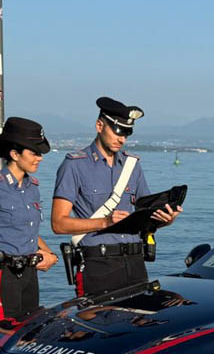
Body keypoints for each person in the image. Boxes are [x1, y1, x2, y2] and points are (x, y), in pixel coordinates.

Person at [51, 96, 181, 297]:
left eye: (127, 133)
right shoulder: (74, 165)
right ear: (99, 125)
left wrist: (165, 220)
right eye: (118, 130)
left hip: (135, 263)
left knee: (139, 325)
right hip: (97, 265)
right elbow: (59, 224)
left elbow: (143, 217)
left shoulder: (133, 165)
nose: (122, 138)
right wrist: (104, 222)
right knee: (96, 325)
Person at [0, 117, 59, 326]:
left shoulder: (32, 187)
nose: (40, 158)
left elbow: (29, 232)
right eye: (34, 153)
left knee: (28, 335)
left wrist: (49, 253)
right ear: (15, 154)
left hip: (29, 274)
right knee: (0, 334)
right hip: (2, 275)